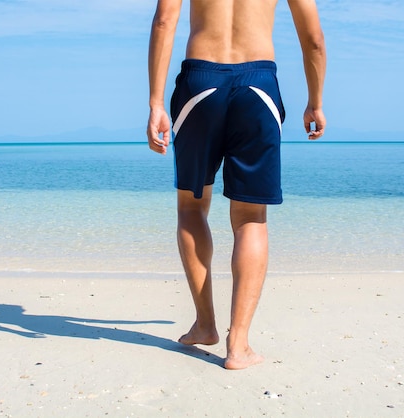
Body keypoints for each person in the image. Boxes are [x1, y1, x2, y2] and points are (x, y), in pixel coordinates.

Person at [146, 0, 326, 370]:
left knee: (191, 207)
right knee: (250, 217)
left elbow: (165, 21)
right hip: (257, 85)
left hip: (200, 82)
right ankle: (238, 344)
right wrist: (315, 101)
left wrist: (155, 103)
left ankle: (205, 324)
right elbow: (314, 40)